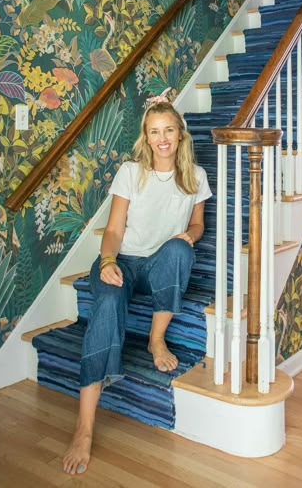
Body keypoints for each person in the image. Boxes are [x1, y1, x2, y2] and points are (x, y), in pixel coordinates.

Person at [63, 100, 212, 475]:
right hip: (122, 263)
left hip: (159, 263)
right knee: (108, 302)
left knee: (179, 249)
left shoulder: (195, 175)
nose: (162, 139)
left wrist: (189, 237)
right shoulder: (131, 172)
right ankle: (84, 427)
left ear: (180, 134)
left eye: (169, 130)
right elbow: (113, 230)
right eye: (154, 131)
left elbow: (198, 225)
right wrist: (109, 262)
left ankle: (155, 339)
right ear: (146, 137)